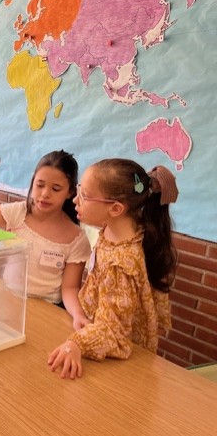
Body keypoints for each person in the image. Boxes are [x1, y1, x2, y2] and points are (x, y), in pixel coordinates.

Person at [48, 158, 178, 379]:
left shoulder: (121, 265)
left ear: (116, 208)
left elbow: (114, 332)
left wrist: (77, 344)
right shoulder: (117, 228)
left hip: (120, 366)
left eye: (85, 195)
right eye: (79, 190)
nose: (75, 200)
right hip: (92, 326)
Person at [0, 150, 91, 329]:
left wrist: (78, 314)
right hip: (9, 299)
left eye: (56, 189)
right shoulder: (16, 212)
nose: (45, 194)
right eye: (40, 185)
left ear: (69, 192)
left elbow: (70, 288)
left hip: (47, 309)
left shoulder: (76, 239)